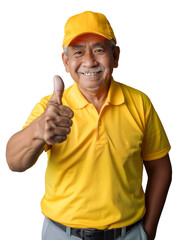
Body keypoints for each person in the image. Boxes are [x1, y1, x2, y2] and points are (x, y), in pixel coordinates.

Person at [6, 11, 172, 240]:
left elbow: (160, 168)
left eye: (99, 50)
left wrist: (149, 231)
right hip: (62, 234)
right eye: (78, 52)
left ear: (115, 56)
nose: (89, 61)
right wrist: (38, 130)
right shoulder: (50, 109)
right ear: (66, 62)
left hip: (129, 234)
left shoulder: (139, 103)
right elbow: (14, 162)